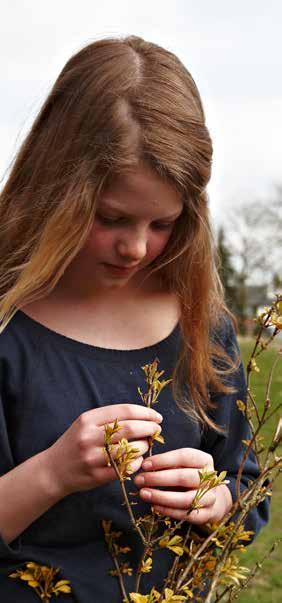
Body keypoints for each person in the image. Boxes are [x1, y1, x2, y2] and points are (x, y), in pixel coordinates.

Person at [0, 35, 268, 602]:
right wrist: (51, 473)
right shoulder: (9, 322)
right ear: (56, 188)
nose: (136, 249)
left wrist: (215, 500)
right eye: (111, 217)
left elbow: (246, 486)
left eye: (162, 224)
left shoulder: (198, 321)